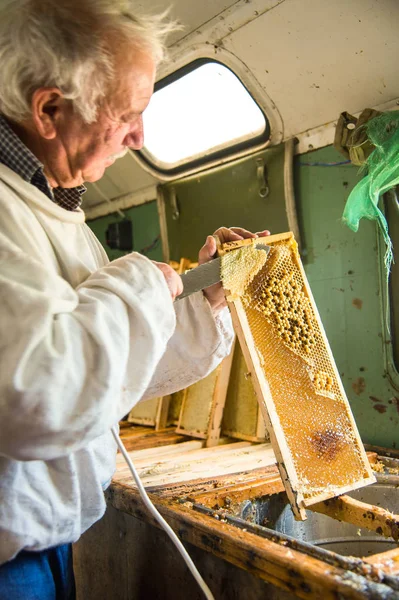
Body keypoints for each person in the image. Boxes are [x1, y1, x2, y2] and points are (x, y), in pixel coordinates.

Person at [0, 1, 270, 598]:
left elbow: (106, 368)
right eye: (128, 113)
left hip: (48, 550)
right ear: (49, 110)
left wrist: (205, 298)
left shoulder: (55, 207)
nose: (140, 136)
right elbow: (36, 398)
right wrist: (142, 283)